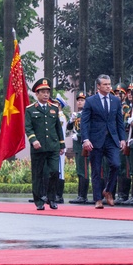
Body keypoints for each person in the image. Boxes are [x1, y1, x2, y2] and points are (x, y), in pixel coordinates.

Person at [80, 74, 126, 209]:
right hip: (95, 140)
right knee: (96, 170)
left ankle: (108, 190)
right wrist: (86, 139)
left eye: (109, 84)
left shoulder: (115, 101)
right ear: (98, 86)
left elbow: (119, 122)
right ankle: (98, 199)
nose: (108, 86)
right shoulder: (90, 101)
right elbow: (85, 122)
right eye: (105, 84)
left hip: (112, 139)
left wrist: (122, 138)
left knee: (116, 164)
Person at [24, 78, 66, 211]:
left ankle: (51, 198)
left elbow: (58, 128)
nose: (46, 94)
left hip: (53, 146)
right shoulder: (30, 109)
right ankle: (39, 200)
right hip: (38, 147)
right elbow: (28, 127)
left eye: (47, 92)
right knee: (38, 174)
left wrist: (62, 144)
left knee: (54, 172)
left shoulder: (53, 108)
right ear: (37, 94)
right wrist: (33, 140)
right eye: (43, 92)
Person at [67, 92, 90, 204]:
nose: (79, 102)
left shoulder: (87, 114)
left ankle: (83, 195)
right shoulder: (77, 115)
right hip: (77, 147)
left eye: (82, 100)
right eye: (78, 100)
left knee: (84, 171)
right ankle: (80, 195)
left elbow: (89, 130)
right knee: (79, 170)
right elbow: (69, 127)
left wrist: (79, 136)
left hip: (83, 146)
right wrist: (71, 120)